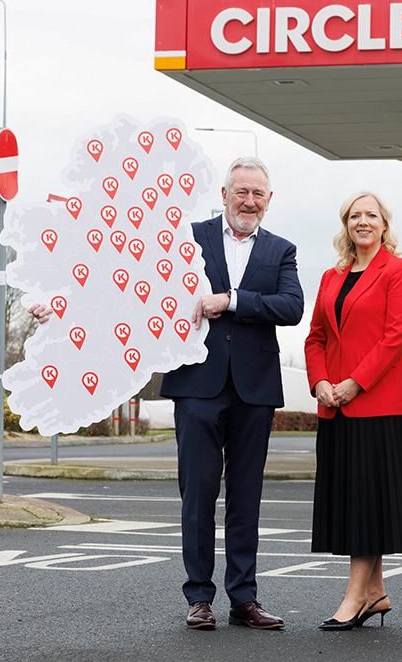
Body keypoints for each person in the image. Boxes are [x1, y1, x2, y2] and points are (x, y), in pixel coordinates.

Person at [30, 157, 303, 632]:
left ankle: (245, 598)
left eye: (258, 194)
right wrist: (60, 305)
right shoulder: (188, 238)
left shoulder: (281, 250)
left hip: (254, 392)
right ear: (223, 194)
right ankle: (199, 597)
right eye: (241, 191)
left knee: (246, 497)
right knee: (197, 494)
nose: (249, 201)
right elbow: (125, 280)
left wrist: (232, 301)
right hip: (197, 385)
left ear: (269, 200)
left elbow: (292, 306)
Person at [304, 191, 402, 631]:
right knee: (356, 504)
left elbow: (396, 337)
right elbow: (316, 337)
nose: (362, 222)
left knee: (366, 505)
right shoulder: (330, 276)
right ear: (346, 225)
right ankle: (376, 593)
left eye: (370, 215)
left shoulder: (399, 271)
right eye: (354, 216)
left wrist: (353, 383)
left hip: (377, 406)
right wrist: (321, 382)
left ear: (384, 224)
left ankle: (354, 597)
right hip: (334, 407)